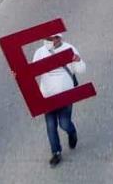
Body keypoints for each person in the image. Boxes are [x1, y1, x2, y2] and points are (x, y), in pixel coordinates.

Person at [32, 32, 87, 167]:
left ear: (58, 38)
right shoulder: (40, 52)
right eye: (47, 38)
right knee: (51, 126)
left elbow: (81, 70)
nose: (49, 40)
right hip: (47, 96)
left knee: (64, 123)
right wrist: (17, 72)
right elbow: (32, 72)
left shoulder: (69, 49)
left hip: (65, 95)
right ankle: (56, 152)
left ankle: (72, 132)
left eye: (52, 38)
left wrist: (78, 60)